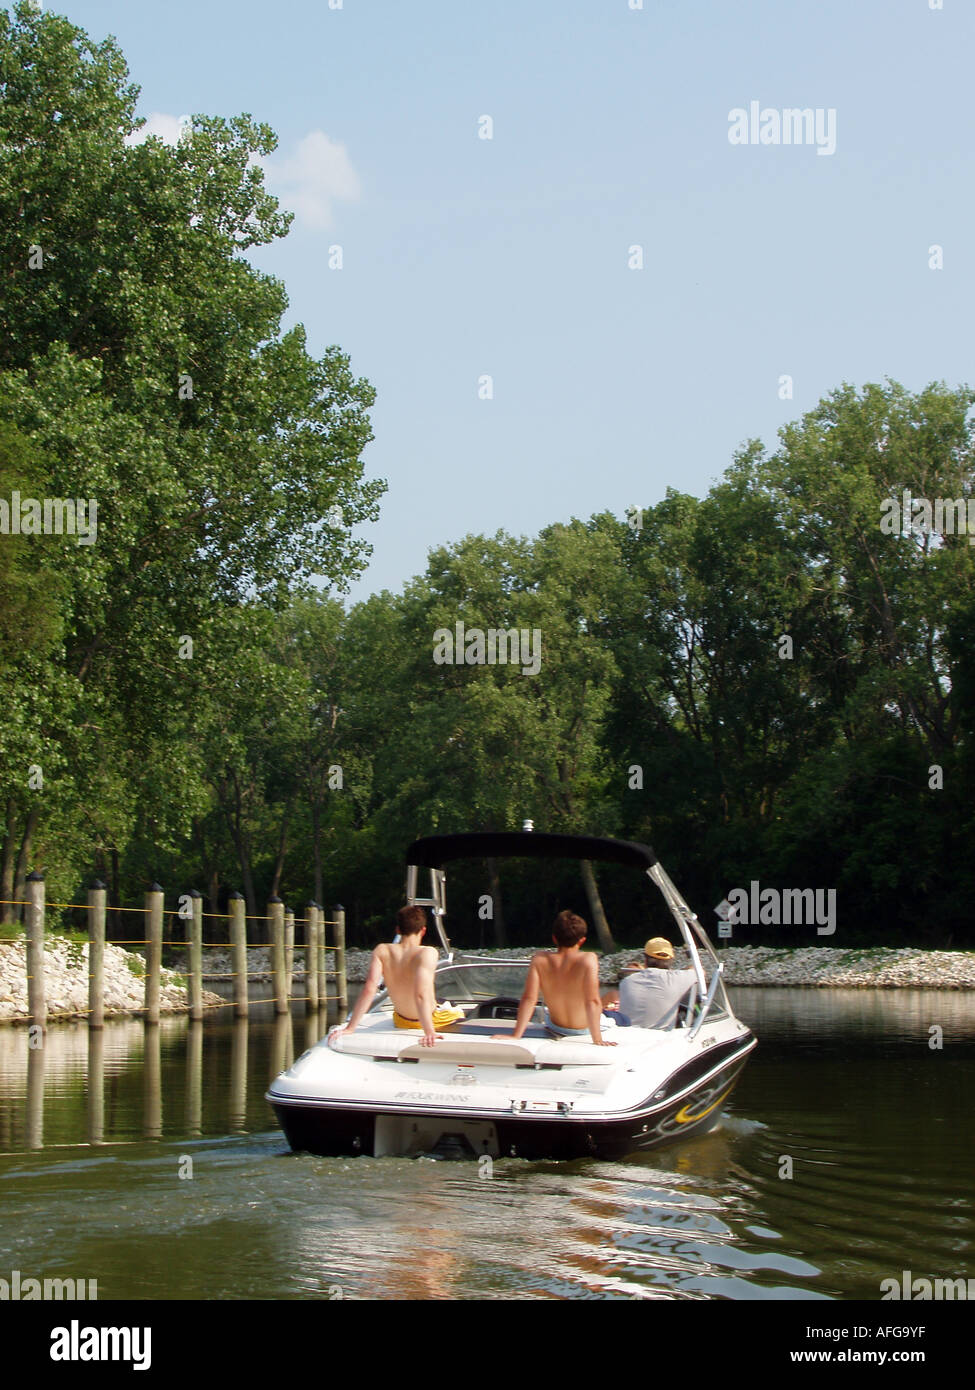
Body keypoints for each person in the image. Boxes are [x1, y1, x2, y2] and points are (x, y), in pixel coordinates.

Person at [328, 906, 463, 1048]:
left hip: (401, 1020)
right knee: (459, 1011)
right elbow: (420, 995)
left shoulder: (382, 950)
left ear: (398, 930)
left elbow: (369, 989)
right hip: (433, 1019)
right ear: (423, 930)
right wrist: (429, 1032)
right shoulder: (427, 953)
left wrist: (350, 1028)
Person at [494, 910, 617, 1047]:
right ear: (582, 940)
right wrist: (597, 1039)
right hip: (586, 1030)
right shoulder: (588, 959)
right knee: (619, 1017)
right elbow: (592, 1001)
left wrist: (516, 1035)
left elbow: (529, 998)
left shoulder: (539, 960)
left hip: (556, 1027)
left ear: (554, 938)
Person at [617, 937, 697, 1030]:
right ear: (671, 960)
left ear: (645, 958)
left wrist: (643, 970)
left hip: (627, 1037)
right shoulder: (677, 979)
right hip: (661, 1039)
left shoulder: (626, 982)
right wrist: (680, 971)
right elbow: (699, 971)